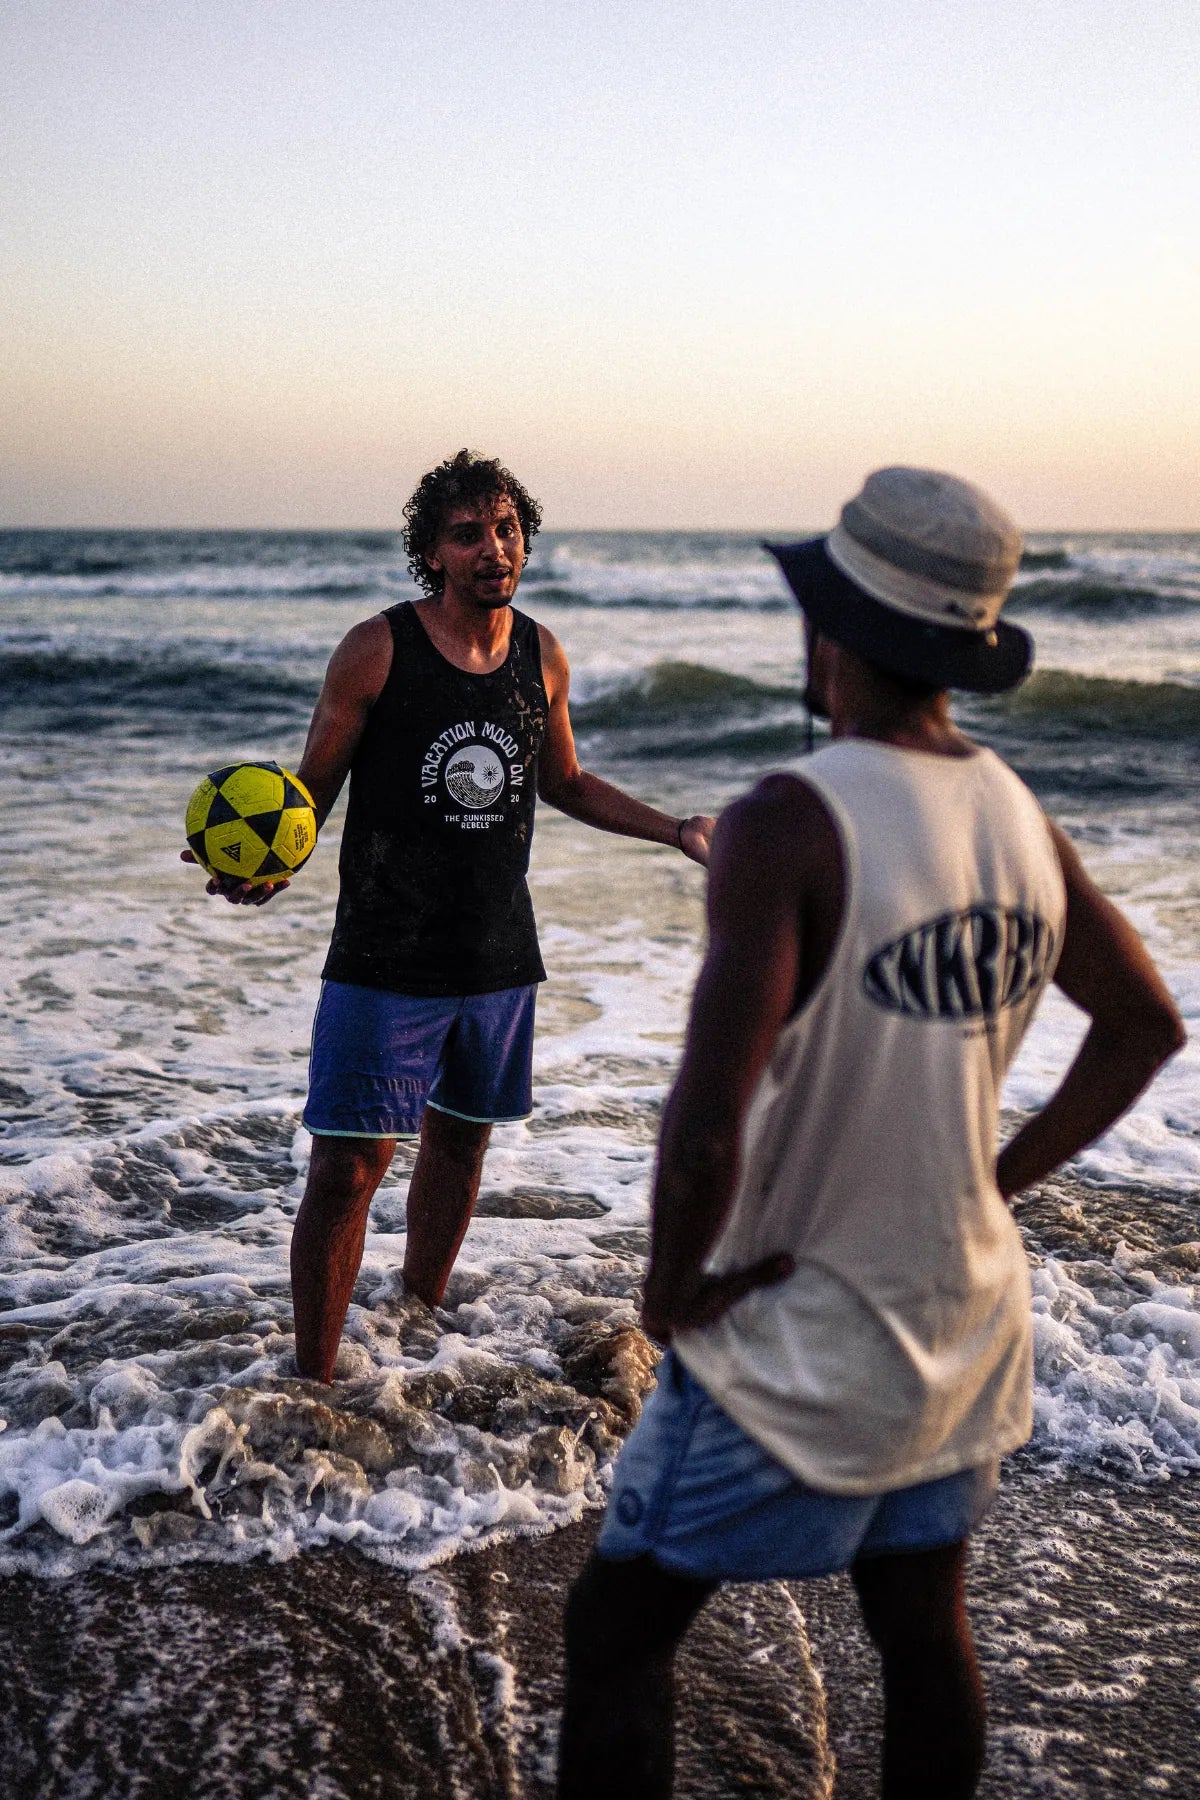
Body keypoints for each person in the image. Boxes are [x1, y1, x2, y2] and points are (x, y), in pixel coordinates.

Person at [557, 466, 1185, 1800]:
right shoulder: (1015, 812)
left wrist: (670, 1293)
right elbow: (1144, 1027)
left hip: (798, 1327)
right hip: (964, 1317)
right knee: (918, 1626)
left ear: (835, 628)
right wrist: (991, 1182)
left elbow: (705, 1121)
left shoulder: (793, 817)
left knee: (615, 1635)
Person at [184, 449, 713, 1382]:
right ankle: (314, 1382)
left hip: (498, 954)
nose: (492, 548)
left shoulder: (541, 653)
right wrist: (265, 863)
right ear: (431, 552)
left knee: (463, 1141)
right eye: (467, 534)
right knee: (348, 1169)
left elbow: (567, 783)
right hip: (386, 954)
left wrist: (676, 830)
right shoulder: (377, 647)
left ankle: (416, 1322)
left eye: (506, 530)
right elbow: (309, 793)